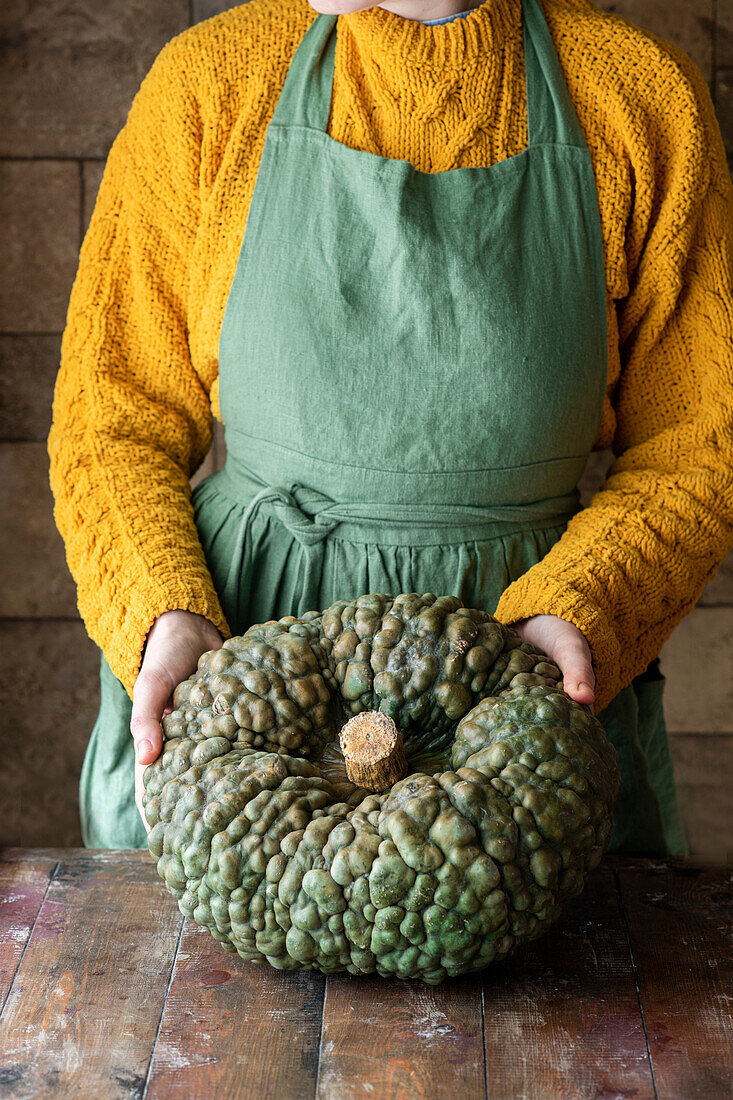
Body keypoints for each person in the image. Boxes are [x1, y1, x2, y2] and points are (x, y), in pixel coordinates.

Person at [48, 0, 733, 854]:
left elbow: (696, 444)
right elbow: (110, 418)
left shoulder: (637, 100)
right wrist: (161, 614)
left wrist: (581, 612)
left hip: (514, 684)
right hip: (237, 678)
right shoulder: (209, 82)